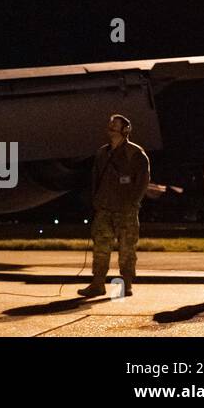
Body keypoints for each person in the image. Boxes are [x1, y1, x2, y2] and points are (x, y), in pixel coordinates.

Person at [78, 113, 150, 297]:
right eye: (109, 124)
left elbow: (142, 182)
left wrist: (133, 202)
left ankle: (125, 285)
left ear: (125, 130)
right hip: (103, 207)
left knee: (127, 248)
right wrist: (96, 200)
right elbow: (95, 178)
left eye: (114, 125)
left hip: (125, 209)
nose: (110, 127)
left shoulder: (136, 153)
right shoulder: (102, 152)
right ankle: (97, 283)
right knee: (100, 247)